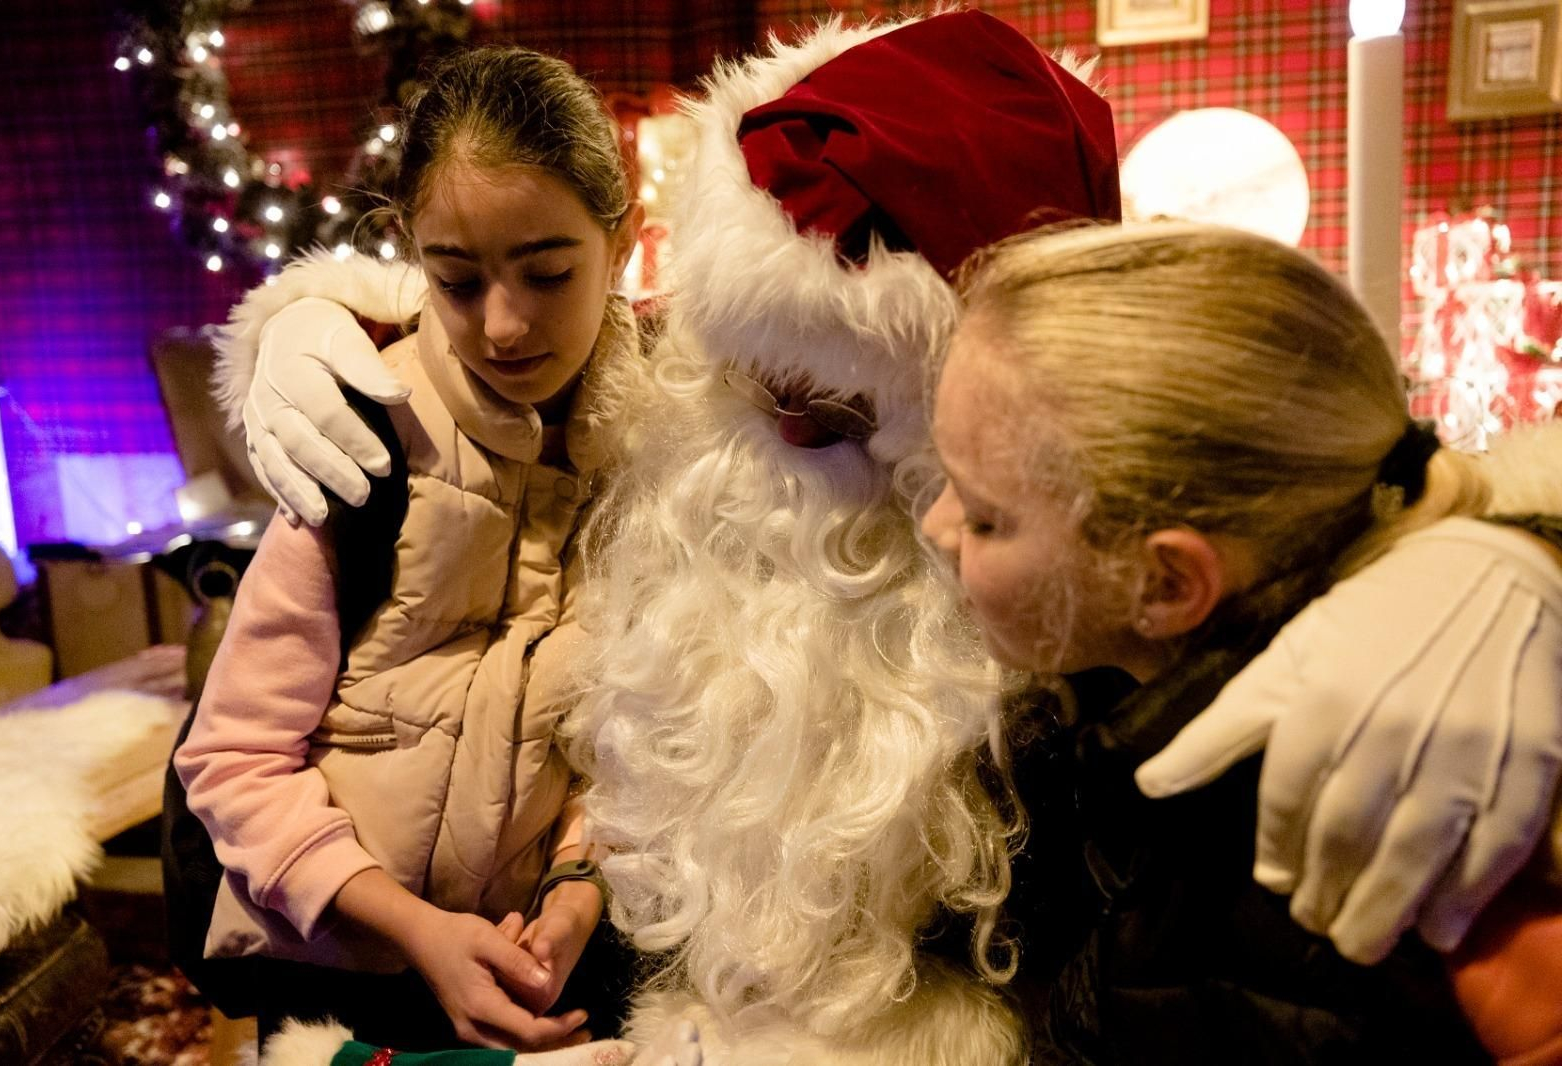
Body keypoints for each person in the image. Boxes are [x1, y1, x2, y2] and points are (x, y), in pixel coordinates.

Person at [213, 12, 1562, 1065]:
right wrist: (314, 316)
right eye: (747, 376)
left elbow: (1343, 479)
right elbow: (497, 313)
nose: (770, 419)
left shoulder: (1094, 597)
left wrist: (1501, 561)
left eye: (839, 409)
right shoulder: (674, 418)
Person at [922, 221, 1562, 1064]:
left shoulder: (1329, 848)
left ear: (1165, 585)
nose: (933, 526)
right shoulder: (1099, 713)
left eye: (983, 516)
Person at [173, 45, 647, 1051]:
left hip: (557, 968)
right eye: (457, 280)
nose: (504, 326)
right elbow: (233, 758)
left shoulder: (672, 451)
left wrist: (578, 890)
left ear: (623, 237)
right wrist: (415, 931)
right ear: (406, 251)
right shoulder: (360, 435)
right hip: (343, 979)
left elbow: (650, 743)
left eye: (549, 273)